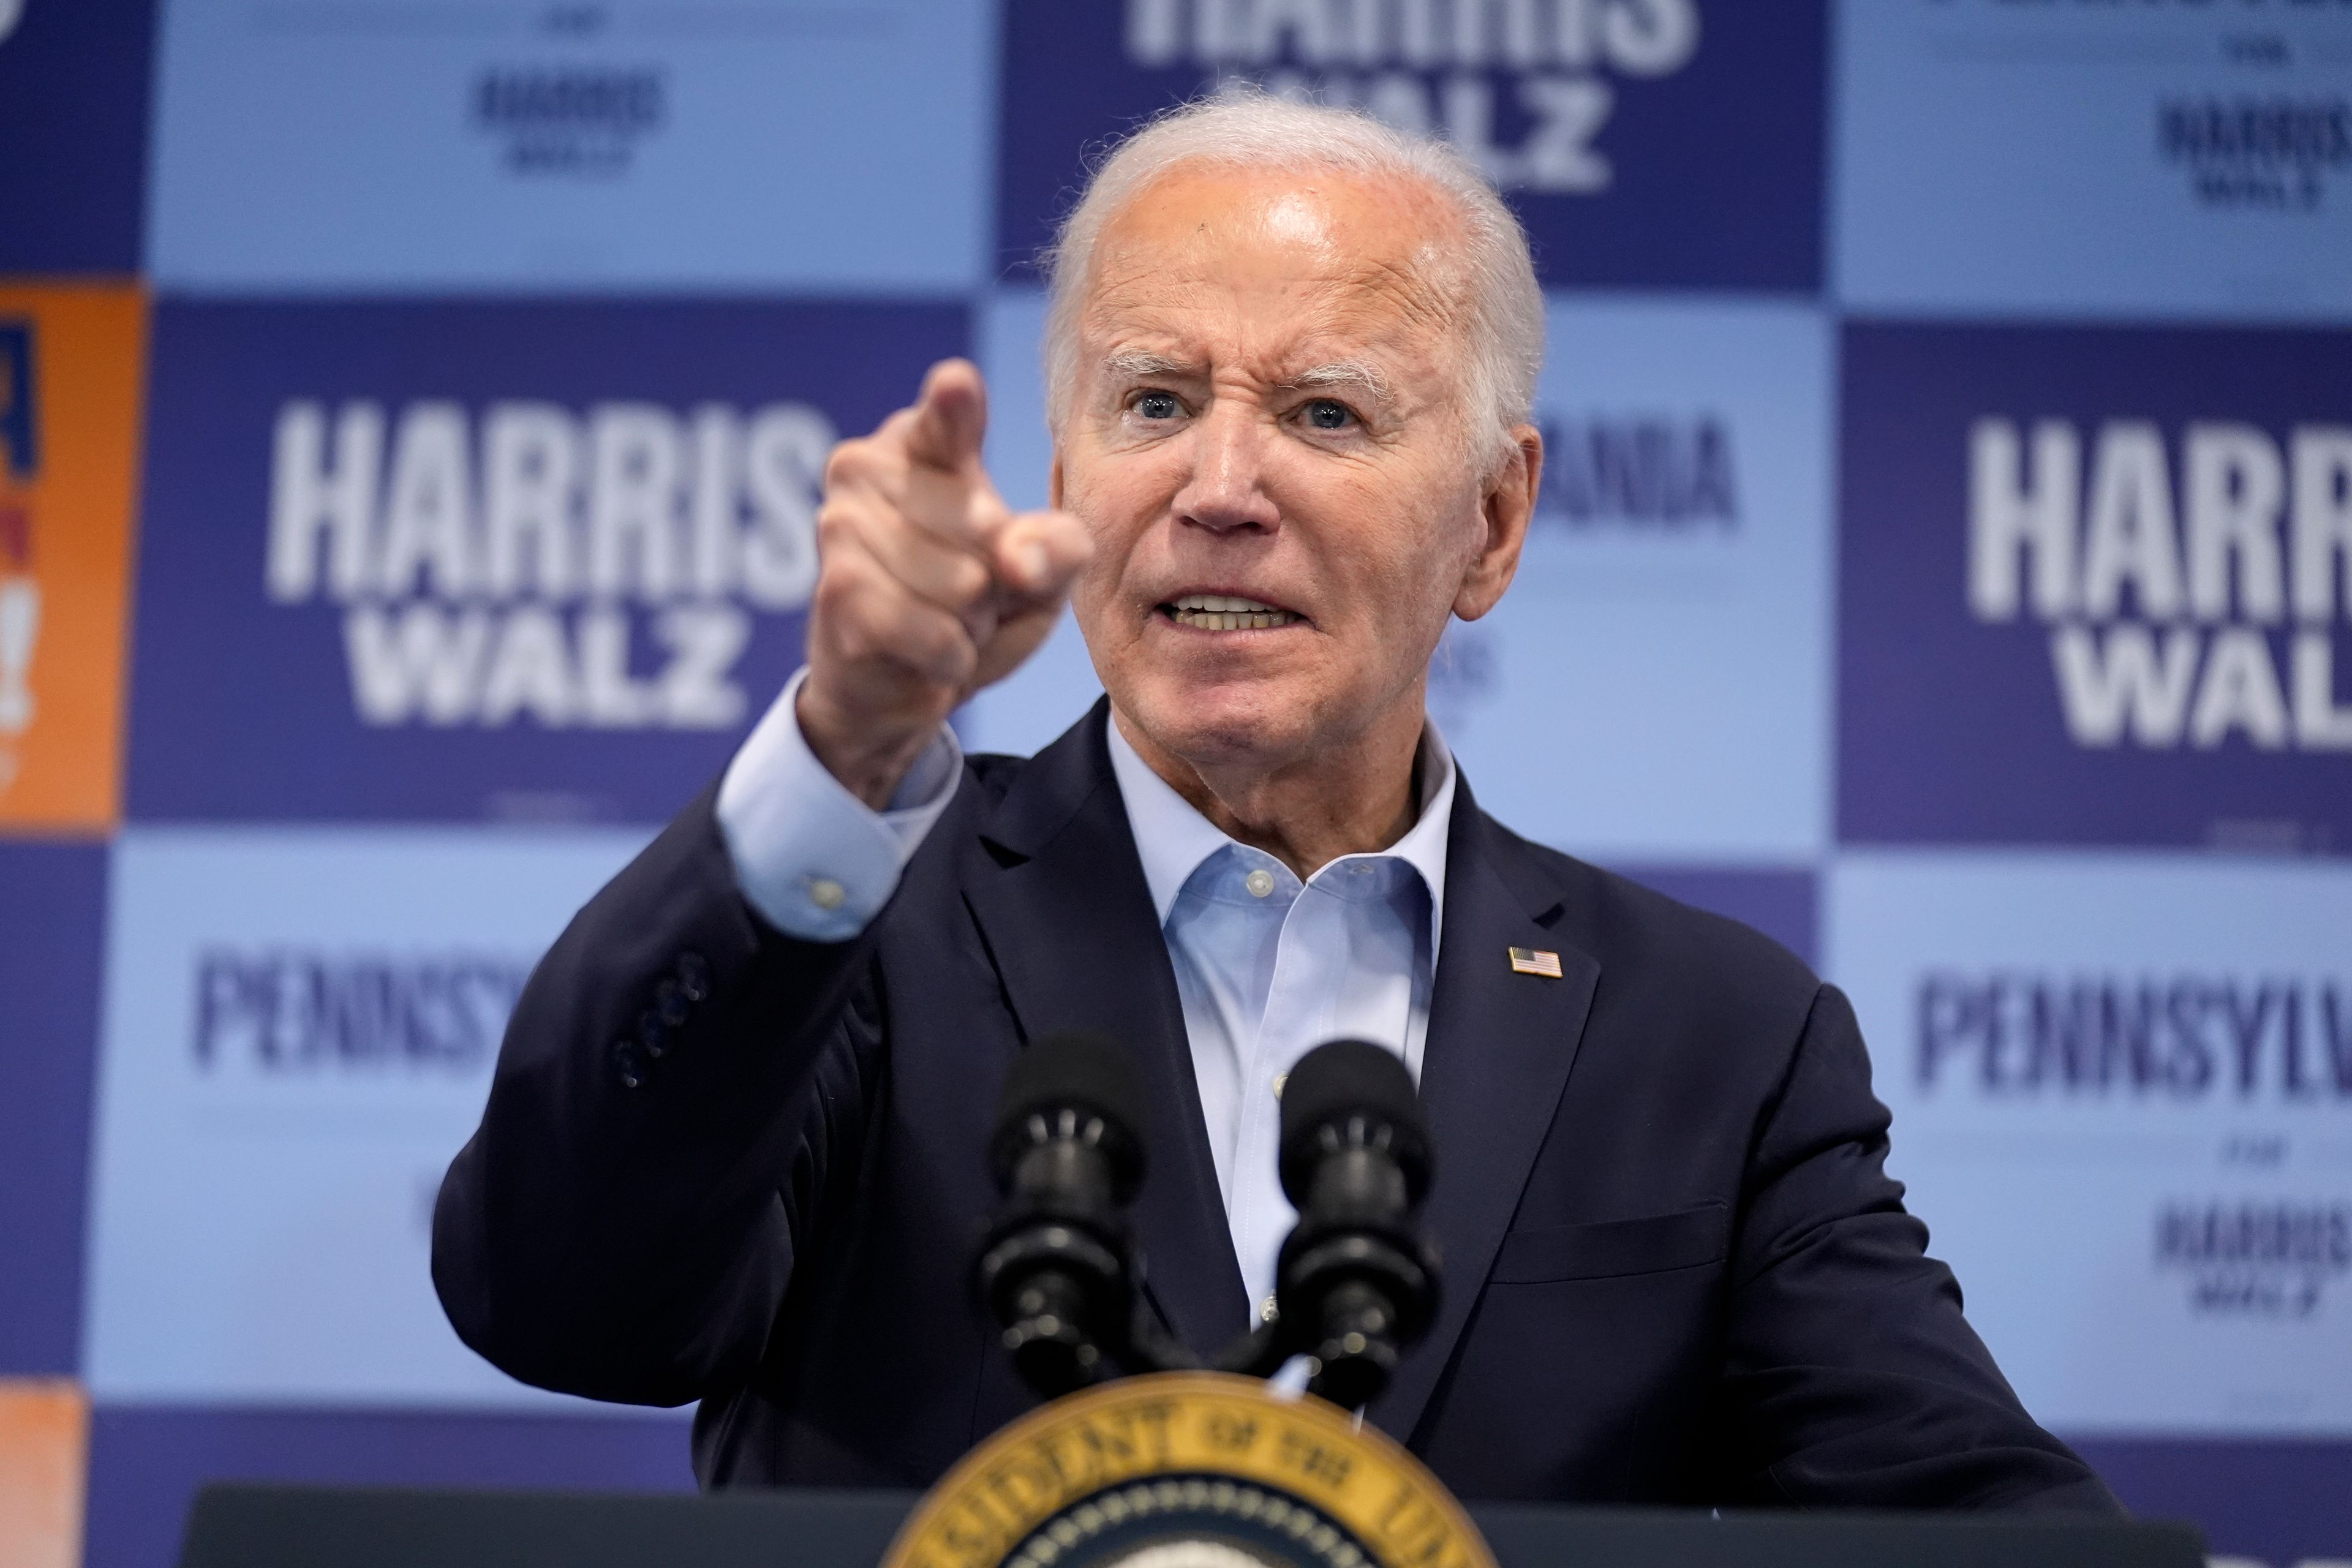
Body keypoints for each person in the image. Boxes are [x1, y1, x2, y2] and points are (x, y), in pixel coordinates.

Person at [433, 92, 2118, 1511]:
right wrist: (848, 750)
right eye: (1156, 401)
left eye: (1324, 413)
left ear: (1493, 523)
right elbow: (566, 1304)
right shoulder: (863, 923)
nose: (1220, 491)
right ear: (1071, 463)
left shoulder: (1716, 1038)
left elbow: (1976, 1528)